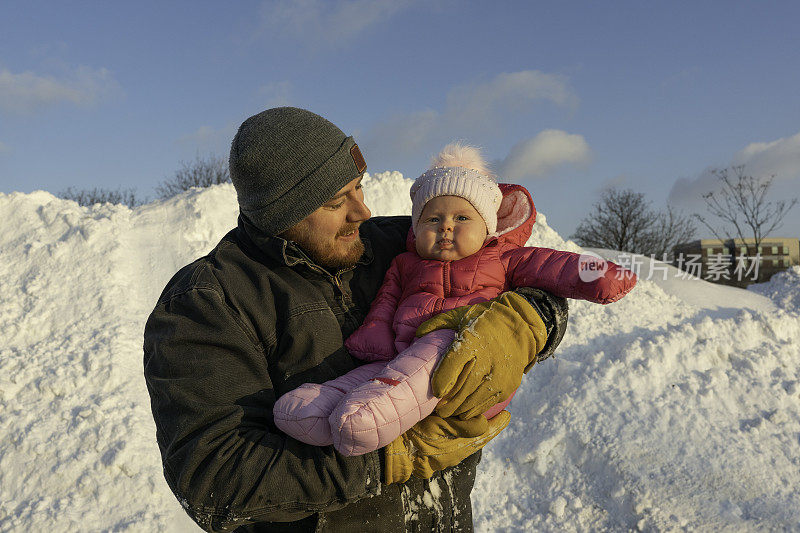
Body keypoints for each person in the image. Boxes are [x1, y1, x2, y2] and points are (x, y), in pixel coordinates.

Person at [143, 107, 569, 532]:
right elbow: (214, 478)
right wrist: (388, 458)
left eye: (359, 187)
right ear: (280, 216)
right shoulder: (208, 302)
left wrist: (526, 324)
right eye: (334, 202)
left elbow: (522, 268)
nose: (361, 211)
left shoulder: (394, 244)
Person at [272, 144, 636, 462]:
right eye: (433, 218)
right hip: (401, 363)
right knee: (376, 375)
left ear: (486, 226)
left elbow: (558, 265)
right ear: (416, 227)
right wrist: (374, 343)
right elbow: (384, 306)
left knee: (439, 341)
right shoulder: (404, 263)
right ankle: (317, 411)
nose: (446, 227)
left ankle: (370, 420)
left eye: (462, 218)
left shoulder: (503, 258)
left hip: (469, 370)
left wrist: (603, 272)